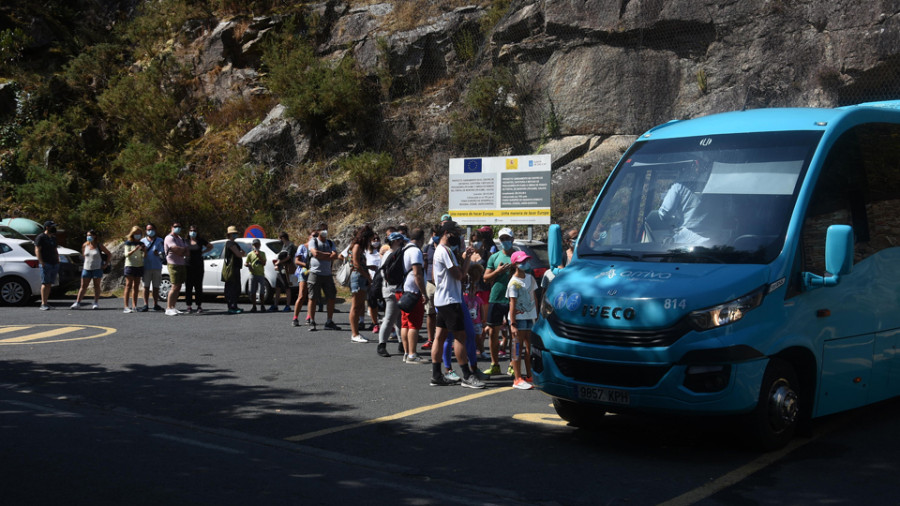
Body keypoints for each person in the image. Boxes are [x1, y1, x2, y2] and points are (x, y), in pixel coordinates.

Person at [429, 221, 484, 388]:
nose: (457, 236)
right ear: (446, 233)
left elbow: (459, 274)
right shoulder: (444, 251)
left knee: (440, 336)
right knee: (460, 337)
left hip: (443, 299)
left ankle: (436, 374)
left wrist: (466, 259)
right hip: (450, 300)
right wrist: (466, 262)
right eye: (455, 233)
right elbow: (459, 275)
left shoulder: (444, 250)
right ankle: (467, 375)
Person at [482, 227, 517, 376]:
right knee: (492, 332)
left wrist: (514, 272)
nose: (505, 242)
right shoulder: (494, 257)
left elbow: (526, 277)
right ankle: (495, 364)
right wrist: (498, 271)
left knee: (514, 333)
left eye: (507, 239)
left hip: (513, 300)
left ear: (512, 240)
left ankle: (513, 364)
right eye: (502, 239)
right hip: (496, 298)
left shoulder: (518, 256)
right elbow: (485, 277)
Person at [507, 250, 538, 390]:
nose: (525, 263)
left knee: (529, 348)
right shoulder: (513, 282)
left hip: (530, 317)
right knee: (517, 349)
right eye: (521, 261)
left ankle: (529, 375)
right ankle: (517, 378)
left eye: (526, 260)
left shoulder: (530, 278)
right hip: (518, 319)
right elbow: (512, 304)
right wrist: (513, 323)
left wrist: (536, 316)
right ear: (515, 264)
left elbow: (535, 297)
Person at [399, 228, 429, 364]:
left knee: (405, 324)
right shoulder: (416, 251)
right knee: (414, 325)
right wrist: (423, 293)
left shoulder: (405, 249)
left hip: (404, 290)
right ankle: (412, 354)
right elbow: (417, 274)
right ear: (421, 239)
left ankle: (406, 353)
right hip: (413, 292)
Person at [376, 232, 408, 358]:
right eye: (400, 241)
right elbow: (386, 273)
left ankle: (401, 344)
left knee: (399, 319)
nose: (403, 243)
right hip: (391, 290)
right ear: (395, 241)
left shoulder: (393, 253)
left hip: (394, 289)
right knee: (389, 318)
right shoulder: (390, 254)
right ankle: (381, 345)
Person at [306, 223, 341, 331]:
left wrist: (323, 255)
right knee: (313, 298)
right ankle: (312, 320)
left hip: (327, 274)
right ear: (318, 231)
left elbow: (335, 255)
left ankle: (329, 321)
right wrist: (328, 255)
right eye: (323, 229)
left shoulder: (330, 242)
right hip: (315, 273)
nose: (325, 231)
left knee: (331, 297)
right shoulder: (313, 241)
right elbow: (315, 254)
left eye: (326, 229)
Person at [70, 229, 111, 310]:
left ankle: (96, 302)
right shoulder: (85, 245)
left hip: (97, 268)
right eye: (87, 235)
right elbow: (84, 255)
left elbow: (109, 254)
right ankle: (77, 302)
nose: (89, 237)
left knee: (96, 285)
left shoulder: (99, 245)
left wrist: (106, 264)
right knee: (83, 286)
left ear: (94, 236)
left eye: (90, 235)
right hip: (86, 268)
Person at [348, 225, 375, 343]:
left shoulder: (359, 247)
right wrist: (367, 277)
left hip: (361, 277)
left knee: (359, 306)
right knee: (355, 306)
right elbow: (356, 265)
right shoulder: (357, 246)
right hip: (357, 277)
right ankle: (354, 333)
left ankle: (356, 332)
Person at [420, 224, 441, 352]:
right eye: (434, 234)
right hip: (429, 283)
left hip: (442, 284)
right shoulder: (427, 248)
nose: (436, 236)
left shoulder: (446, 248)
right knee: (430, 312)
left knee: (442, 313)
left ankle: (442, 339)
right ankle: (430, 339)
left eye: (438, 234)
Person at [185, 225, 212, 313]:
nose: (193, 232)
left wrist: (203, 252)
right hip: (188, 266)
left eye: (195, 231)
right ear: (189, 232)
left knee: (198, 286)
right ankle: (189, 306)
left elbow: (210, 246)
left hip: (198, 266)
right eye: (191, 230)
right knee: (188, 286)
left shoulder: (200, 241)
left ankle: (199, 305)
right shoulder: (185, 241)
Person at [164, 222, 189, 316]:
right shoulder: (169, 238)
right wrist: (182, 249)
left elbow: (187, 252)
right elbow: (177, 250)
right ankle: (168, 308)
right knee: (174, 286)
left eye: (179, 227)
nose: (177, 228)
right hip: (173, 264)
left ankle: (173, 307)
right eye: (175, 227)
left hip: (181, 264)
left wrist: (181, 250)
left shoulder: (180, 239)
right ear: (171, 227)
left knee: (179, 286)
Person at [140, 223, 166, 312]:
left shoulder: (160, 240)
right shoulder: (142, 241)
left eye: (152, 229)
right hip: (146, 267)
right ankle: (145, 304)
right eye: (148, 229)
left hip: (157, 266)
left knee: (156, 287)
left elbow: (163, 255)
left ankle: (155, 304)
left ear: (155, 230)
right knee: (146, 286)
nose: (150, 231)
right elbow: (139, 254)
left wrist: (158, 254)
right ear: (146, 231)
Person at [34, 220, 60, 310]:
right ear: (47, 227)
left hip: (54, 263)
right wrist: (41, 261)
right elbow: (37, 249)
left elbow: (55, 249)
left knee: (49, 284)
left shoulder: (53, 238)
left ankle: (46, 302)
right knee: (45, 283)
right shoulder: (41, 237)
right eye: (52, 226)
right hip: (46, 263)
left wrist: (57, 259)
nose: (54, 228)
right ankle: (43, 303)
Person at [291, 229, 314, 327]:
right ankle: (295, 318)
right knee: (301, 295)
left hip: (313, 273)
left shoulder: (316, 248)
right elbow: (296, 261)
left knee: (311, 296)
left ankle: (309, 316)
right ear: (309, 237)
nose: (315, 238)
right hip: (303, 272)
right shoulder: (302, 247)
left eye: (316, 236)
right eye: (313, 236)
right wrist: (306, 264)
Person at [223, 225, 246, 314]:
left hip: (236, 268)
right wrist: (240, 253)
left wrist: (241, 253)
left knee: (237, 288)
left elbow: (243, 253)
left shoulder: (235, 243)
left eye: (236, 233)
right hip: (231, 269)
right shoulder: (229, 244)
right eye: (233, 233)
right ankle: (231, 306)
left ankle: (235, 305)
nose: (235, 235)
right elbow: (239, 254)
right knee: (232, 288)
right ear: (229, 234)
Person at [270, 231, 296, 312]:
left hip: (286, 269)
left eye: (279, 238)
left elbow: (288, 257)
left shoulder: (290, 245)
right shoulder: (284, 245)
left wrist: (279, 262)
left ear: (283, 238)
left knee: (287, 287)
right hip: (280, 269)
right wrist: (277, 264)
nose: (279, 240)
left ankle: (288, 305)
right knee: (278, 287)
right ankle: (275, 305)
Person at [122, 226, 146, 313]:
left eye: (139, 233)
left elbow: (144, 256)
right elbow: (126, 254)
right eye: (136, 233)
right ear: (132, 234)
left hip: (139, 265)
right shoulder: (128, 243)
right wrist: (135, 249)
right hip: (130, 265)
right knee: (128, 285)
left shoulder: (141, 243)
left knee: (136, 286)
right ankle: (126, 306)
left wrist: (144, 250)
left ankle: (134, 305)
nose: (137, 235)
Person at [365, 233, 383, 334]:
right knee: (372, 303)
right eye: (374, 239)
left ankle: (387, 323)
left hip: (381, 279)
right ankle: (374, 323)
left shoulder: (382, 251)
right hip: (371, 280)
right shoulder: (367, 252)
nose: (376, 241)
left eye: (377, 239)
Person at [245, 238, 269, 312]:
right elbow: (246, 263)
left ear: (260, 245)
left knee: (262, 291)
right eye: (254, 245)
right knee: (252, 291)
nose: (256, 246)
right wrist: (248, 265)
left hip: (261, 274)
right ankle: (254, 306)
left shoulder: (262, 253)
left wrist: (259, 256)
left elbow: (264, 263)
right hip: (253, 274)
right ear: (252, 246)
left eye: (257, 244)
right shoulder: (250, 254)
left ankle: (262, 306)